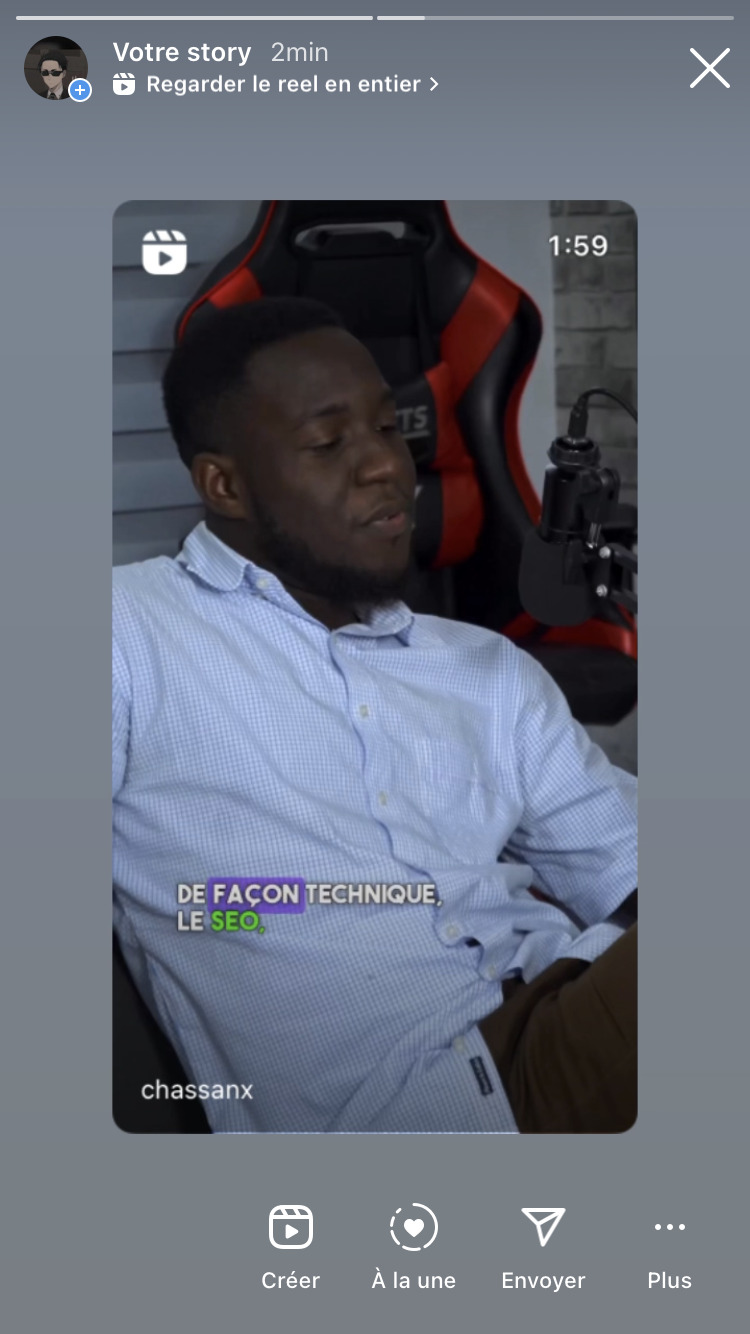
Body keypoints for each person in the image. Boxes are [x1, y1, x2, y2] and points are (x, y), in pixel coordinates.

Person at [113, 296, 637, 1135]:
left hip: (562, 1005)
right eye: (328, 444)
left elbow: (628, 862)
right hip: (425, 1109)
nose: (387, 467)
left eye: (391, 430)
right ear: (225, 485)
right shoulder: (128, 633)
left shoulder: (484, 669)